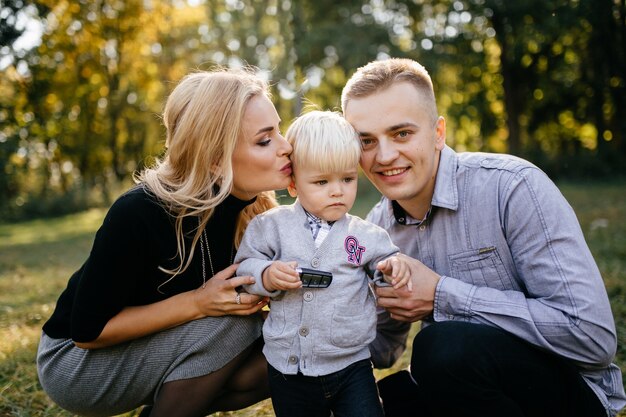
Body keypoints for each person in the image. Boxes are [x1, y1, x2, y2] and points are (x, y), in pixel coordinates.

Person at [340, 57, 626, 417]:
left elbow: (591, 337)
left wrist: (442, 295)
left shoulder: (512, 187)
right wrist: (305, 322)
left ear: (438, 133)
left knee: (442, 349)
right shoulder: (376, 230)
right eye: (366, 140)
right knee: (390, 398)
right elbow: (382, 346)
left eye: (402, 134)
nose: (384, 156)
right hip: (473, 393)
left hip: (569, 394)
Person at [36, 67, 295, 417]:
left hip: (169, 341)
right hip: (77, 362)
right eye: (265, 140)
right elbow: (87, 331)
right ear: (216, 159)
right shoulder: (140, 211)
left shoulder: (256, 210)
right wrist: (199, 303)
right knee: (237, 323)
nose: (286, 147)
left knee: (290, 344)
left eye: (278, 132)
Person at [234, 110, 411, 417]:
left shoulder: (365, 234)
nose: (337, 190)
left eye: (347, 178)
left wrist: (392, 268)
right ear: (293, 185)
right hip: (289, 367)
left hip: (351, 363)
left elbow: (385, 262)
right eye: (321, 181)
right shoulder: (271, 227)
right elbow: (245, 266)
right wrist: (266, 274)